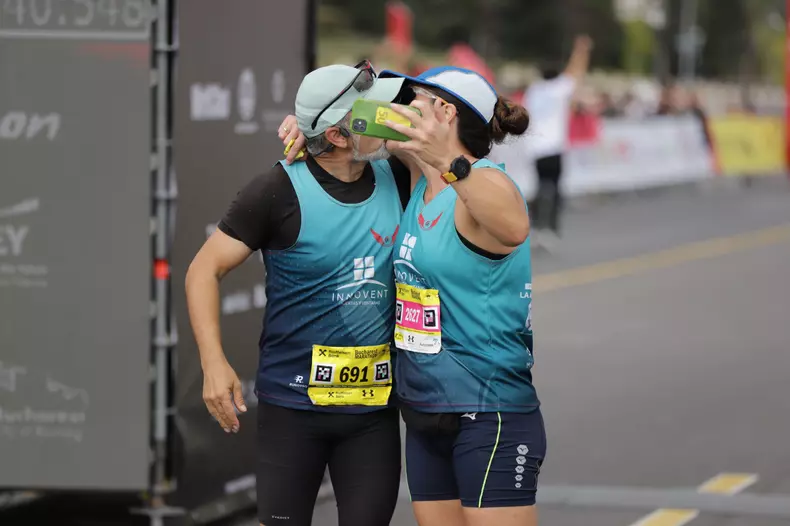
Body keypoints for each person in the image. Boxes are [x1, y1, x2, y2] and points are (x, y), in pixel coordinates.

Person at [185, 61, 413, 526]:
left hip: (373, 414)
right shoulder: (277, 190)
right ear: (337, 136)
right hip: (292, 412)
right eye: (371, 113)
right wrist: (213, 361)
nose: (386, 117)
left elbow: (437, 120)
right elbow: (202, 270)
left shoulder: (400, 174)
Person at [379, 67, 543, 526]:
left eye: (414, 102)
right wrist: (306, 123)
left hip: (488, 411)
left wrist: (448, 159)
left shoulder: (485, 181)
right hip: (425, 412)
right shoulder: (418, 178)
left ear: (445, 112)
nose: (401, 111)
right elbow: (355, 125)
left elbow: (513, 227)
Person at [526, 35, 593, 249]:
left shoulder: (534, 91)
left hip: (536, 149)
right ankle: (551, 229)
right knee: (554, 189)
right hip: (554, 147)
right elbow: (576, 72)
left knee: (538, 188)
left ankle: (535, 227)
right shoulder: (559, 89)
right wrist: (582, 50)